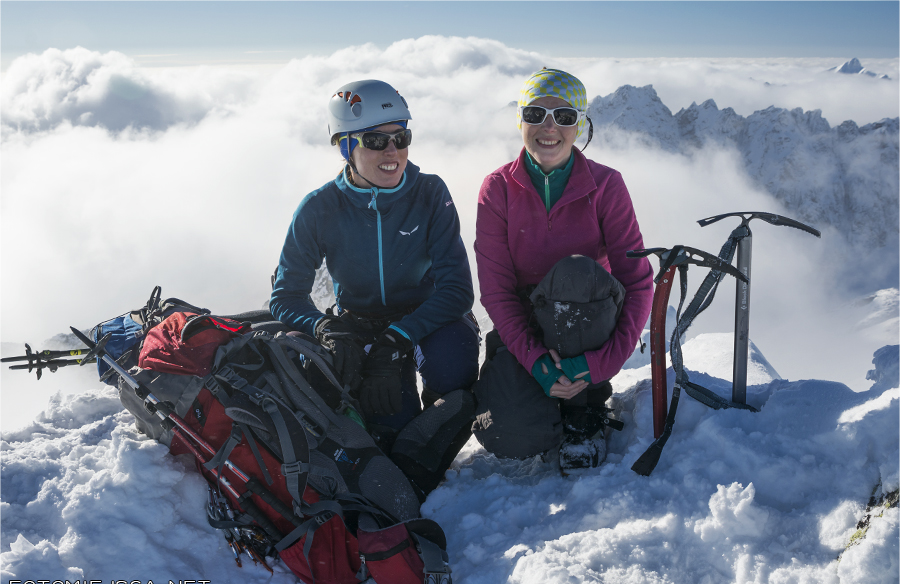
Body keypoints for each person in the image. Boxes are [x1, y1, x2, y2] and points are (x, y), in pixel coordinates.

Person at [270, 79, 480, 459]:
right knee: (389, 432)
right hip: (359, 323)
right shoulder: (319, 208)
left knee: (453, 366)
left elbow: (458, 290)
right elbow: (285, 296)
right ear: (346, 147)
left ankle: (437, 435)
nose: (393, 151)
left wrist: (398, 337)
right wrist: (326, 327)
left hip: (427, 317)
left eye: (401, 137)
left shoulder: (430, 193)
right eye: (376, 140)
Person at [473, 68, 653, 469]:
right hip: (529, 323)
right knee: (508, 436)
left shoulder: (606, 186)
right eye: (535, 114)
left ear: (580, 125)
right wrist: (536, 361)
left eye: (565, 117)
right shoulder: (498, 188)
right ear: (520, 121)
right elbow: (498, 291)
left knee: (573, 272)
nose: (548, 128)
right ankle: (547, 395)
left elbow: (638, 284)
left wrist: (597, 365)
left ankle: (584, 411)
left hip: (587, 320)